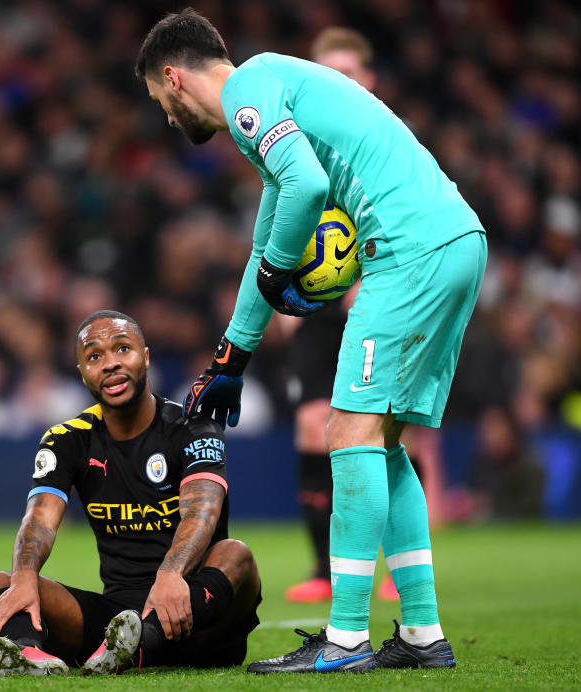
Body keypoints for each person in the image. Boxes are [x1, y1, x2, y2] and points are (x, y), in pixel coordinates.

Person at [137, 9, 486, 673]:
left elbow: (309, 187)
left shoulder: (249, 90)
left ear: (174, 78)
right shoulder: (273, 95)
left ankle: (347, 638)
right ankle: (421, 633)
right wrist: (230, 357)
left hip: (407, 250)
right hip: (455, 240)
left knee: (346, 432)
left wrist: (275, 271)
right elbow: (267, 246)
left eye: (159, 99)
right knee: (383, 445)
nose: (165, 113)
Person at [0, 310, 262, 677]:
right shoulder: (67, 439)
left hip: (197, 612)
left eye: (122, 349)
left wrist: (172, 574)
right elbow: (41, 517)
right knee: (8, 581)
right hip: (116, 621)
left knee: (236, 555)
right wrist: (25, 575)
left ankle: (141, 646)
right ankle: (25, 652)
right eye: (94, 356)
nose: (110, 364)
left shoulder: (193, 426)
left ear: (145, 356)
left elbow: (202, 511)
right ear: (82, 372)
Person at [283, 25, 385, 605]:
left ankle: (393, 565)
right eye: (330, 73)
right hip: (319, 308)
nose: (341, 83)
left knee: (389, 434)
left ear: (368, 80)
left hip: (378, 296)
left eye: (349, 72)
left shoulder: (384, 137)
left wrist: (371, 279)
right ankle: (322, 568)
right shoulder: (303, 142)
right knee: (311, 426)